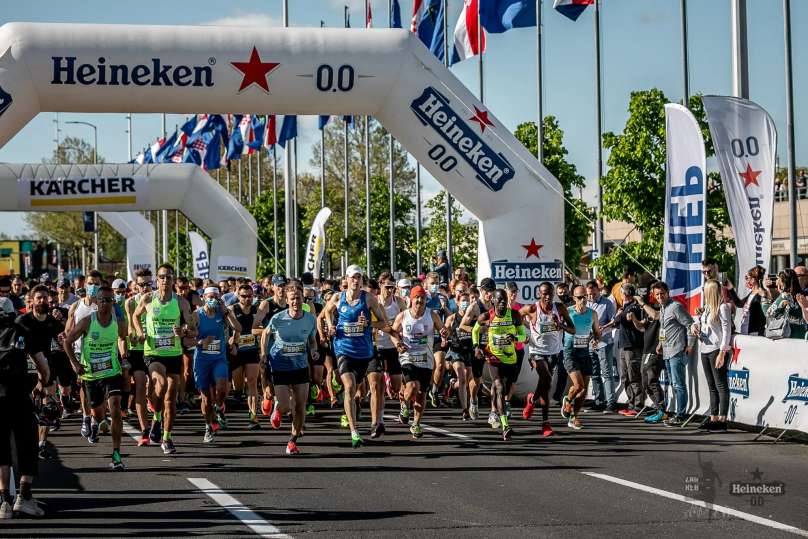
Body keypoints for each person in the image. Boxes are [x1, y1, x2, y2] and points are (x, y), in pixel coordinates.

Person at [323, 265, 391, 448]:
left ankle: (374, 422)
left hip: (364, 352)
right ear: (346, 279)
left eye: (359, 277)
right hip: (343, 350)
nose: (356, 280)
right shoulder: (338, 297)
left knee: (359, 389)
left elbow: (384, 322)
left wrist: (369, 323)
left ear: (362, 280)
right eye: (353, 277)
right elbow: (325, 313)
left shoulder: (368, 298)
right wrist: (330, 326)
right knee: (350, 387)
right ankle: (354, 431)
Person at [133, 263, 196, 455]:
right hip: (153, 352)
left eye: (169, 277)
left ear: (173, 280)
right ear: (157, 280)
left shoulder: (181, 302)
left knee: (171, 399)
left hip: (174, 354)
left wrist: (183, 330)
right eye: (162, 277)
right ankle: (157, 417)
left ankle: (166, 436)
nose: (165, 280)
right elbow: (135, 316)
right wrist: (140, 331)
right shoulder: (148, 298)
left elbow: (192, 329)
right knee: (160, 385)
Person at [63, 285, 128, 470]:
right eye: (101, 300)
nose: (105, 304)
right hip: (91, 376)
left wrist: (124, 358)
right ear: (96, 302)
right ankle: (94, 420)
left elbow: (123, 338)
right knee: (99, 414)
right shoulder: (86, 321)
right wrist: (75, 364)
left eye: (109, 300)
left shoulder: (118, 321)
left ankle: (116, 454)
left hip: (112, 372)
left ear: (113, 302)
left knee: (115, 408)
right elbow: (67, 341)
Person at [0, 297, 49, 519]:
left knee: (1, 450)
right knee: (28, 444)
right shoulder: (22, 330)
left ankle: (4, 502)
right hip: (19, 396)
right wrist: (41, 384)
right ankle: (25, 497)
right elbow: (42, 365)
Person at [261, 283, 318, 454]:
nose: (295, 302)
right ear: (287, 300)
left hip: (300, 366)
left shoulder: (310, 319)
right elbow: (265, 334)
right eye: (292, 299)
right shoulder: (278, 318)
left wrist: (314, 351)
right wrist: (263, 353)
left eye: (298, 298)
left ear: (303, 299)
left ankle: (292, 441)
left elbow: (312, 340)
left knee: (300, 406)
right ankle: (277, 410)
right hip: (280, 365)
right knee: (285, 406)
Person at [390, 285, 448, 438]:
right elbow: (393, 332)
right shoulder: (403, 316)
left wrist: (444, 333)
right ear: (411, 299)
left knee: (422, 394)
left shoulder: (432, 315)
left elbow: (444, 330)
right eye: (417, 298)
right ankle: (404, 405)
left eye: (422, 298)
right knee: (412, 385)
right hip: (407, 356)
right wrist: (397, 343)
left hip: (426, 359)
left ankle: (416, 424)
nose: (420, 301)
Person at [521, 282, 574, 437]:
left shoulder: (560, 308)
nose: (548, 296)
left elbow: (573, 329)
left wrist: (561, 326)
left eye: (550, 293)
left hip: (554, 353)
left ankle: (532, 400)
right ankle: (545, 423)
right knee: (547, 380)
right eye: (545, 293)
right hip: (536, 351)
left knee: (544, 383)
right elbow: (516, 316)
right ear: (539, 294)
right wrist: (524, 334)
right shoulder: (532, 308)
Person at [473, 289, 527, 441]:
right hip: (494, 357)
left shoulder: (515, 315)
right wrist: (476, 346)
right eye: (500, 300)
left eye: (504, 300)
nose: (503, 302)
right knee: (499, 387)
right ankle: (505, 425)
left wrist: (515, 337)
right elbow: (475, 330)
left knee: (508, 387)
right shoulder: (486, 316)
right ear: (493, 302)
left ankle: (498, 410)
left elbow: (524, 337)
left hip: (511, 359)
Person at [194, 287, 241, 443]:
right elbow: (187, 338)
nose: (213, 299)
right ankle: (208, 427)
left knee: (222, 388)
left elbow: (238, 328)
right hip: (202, 361)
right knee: (206, 398)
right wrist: (200, 342)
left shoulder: (223, 312)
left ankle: (219, 407)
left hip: (218, 359)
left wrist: (225, 311)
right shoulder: (197, 315)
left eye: (216, 297)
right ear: (204, 298)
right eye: (210, 297)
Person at [650, 281, 695, 426]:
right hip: (667, 352)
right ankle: (678, 414)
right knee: (674, 385)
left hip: (677, 351)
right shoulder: (662, 309)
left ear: (668, 292)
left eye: (662, 293)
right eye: (657, 294)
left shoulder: (676, 307)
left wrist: (690, 345)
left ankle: (681, 415)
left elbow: (690, 324)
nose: (659, 296)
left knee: (679, 385)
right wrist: (660, 343)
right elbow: (664, 329)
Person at [691, 280, 732, 432]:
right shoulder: (708, 307)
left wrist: (723, 352)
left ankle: (722, 419)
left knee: (720, 384)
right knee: (711, 385)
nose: (703, 292)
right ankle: (713, 416)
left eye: (705, 290)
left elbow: (727, 331)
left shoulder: (723, 307)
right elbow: (703, 323)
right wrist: (695, 326)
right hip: (705, 348)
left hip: (716, 348)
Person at [560, 286, 600, 430]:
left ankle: (573, 417)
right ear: (574, 298)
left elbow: (597, 332)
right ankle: (568, 400)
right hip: (570, 352)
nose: (582, 300)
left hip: (585, 352)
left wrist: (595, 339)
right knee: (578, 386)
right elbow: (558, 327)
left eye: (584, 297)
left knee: (584, 390)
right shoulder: (568, 312)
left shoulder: (592, 314)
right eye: (579, 297)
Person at [374, 274, 406, 434]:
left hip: (394, 347)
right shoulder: (374, 302)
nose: (390, 290)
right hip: (377, 347)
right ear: (380, 285)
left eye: (392, 287)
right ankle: (379, 420)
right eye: (387, 287)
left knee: (397, 385)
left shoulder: (399, 302)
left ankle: (403, 407)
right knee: (377, 386)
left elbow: (408, 320)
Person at [229, 284, 264, 429]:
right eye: (244, 296)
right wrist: (230, 340)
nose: (247, 299)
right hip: (236, 351)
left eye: (250, 296)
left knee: (252, 381)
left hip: (251, 350)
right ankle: (238, 393)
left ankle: (253, 415)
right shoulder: (232, 309)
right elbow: (225, 327)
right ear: (238, 296)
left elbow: (264, 328)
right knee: (238, 386)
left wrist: (260, 332)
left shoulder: (257, 310)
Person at [124, 269, 152, 446]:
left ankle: (154, 405)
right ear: (135, 286)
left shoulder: (159, 300)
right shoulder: (130, 303)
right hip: (137, 349)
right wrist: (134, 336)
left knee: (157, 390)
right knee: (140, 386)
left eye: (148, 284)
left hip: (157, 349)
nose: (145, 287)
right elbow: (128, 327)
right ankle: (144, 430)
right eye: (141, 284)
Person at [613, 284, 646, 416]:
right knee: (625, 377)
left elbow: (619, 320)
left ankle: (638, 405)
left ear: (624, 294)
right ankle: (631, 402)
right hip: (624, 346)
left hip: (633, 346)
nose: (620, 296)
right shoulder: (625, 307)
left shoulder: (634, 307)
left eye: (621, 293)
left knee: (634, 376)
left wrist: (619, 314)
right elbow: (616, 321)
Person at [585, 280, 617, 412]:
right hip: (590, 342)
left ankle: (611, 403)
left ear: (598, 290)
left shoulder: (607, 303)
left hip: (604, 341)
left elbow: (614, 321)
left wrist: (602, 328)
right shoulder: (586, 304)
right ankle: (599, 401)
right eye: (589, 294)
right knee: (594, 373)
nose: (591, 296)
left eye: (593, 293)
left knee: (607, 372)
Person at [445, 287, 473, 420]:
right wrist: (446, 336)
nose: (465, 303)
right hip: (455, 351)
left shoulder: (473, 318)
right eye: (463, 301)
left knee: (466, 381)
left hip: (468, 351)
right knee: (462, 378)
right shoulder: (452, 318)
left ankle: (452, 385)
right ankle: (465, 409)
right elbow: (445, 333)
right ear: (457, 302)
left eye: (467, 301)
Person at [765, 269, 805, 339]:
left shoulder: (784, 296)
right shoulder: (802, 295)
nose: (776, 283)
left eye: (778, 280)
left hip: (788, 333)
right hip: (801, 332)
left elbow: (769, 313)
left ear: (783, 283)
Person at [736, 266, 771, 336]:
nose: (746, 281)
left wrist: (764, 294)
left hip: (755, 332)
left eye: (747, 278)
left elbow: (764, 311)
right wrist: (730, 289)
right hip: (746, 330)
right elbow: (739, 304)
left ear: (753, 280)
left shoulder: (761, 292)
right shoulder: (752, 293)